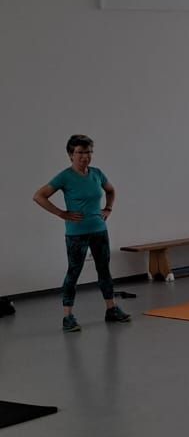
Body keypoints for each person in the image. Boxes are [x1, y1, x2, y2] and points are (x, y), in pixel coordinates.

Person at [32, 134, 132, 332]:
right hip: (76, 234)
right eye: (80, 153)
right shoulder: (65, 177)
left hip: (99, 231)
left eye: (88, 152)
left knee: (104, 270)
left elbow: (111, 190)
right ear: (71, 155)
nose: (85, 156)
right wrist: (62, 213)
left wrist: (108, 208)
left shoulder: (97, 173)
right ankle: (67, 317)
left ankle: (111, 309)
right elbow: (39, 196)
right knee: (74, 272)